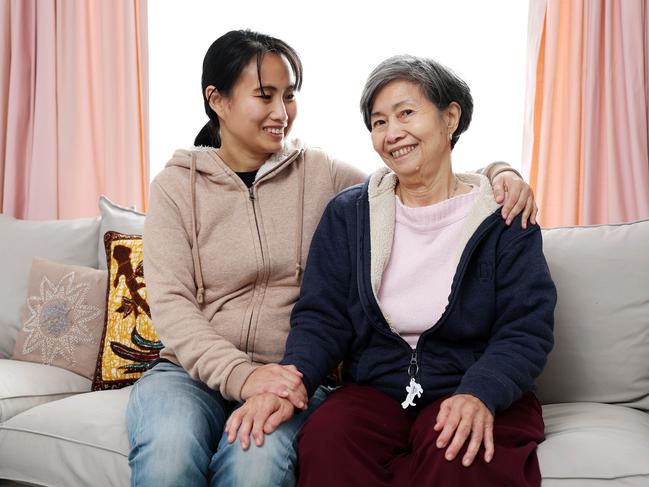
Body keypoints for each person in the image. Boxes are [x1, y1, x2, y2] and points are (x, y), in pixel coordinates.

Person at [125, 29, 539, 487]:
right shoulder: (176, 187)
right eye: (265, 96)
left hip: (288, 373)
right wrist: (245, 378)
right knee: (168, 456)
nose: (281, 113)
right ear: (217, 100)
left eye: (289, 96)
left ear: (450, 117)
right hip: (195, 373)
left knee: (256, 466)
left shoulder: (323, 176)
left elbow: (421, 178)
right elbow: (173, 306)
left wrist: (501, 174)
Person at [227, 54, 556, 486]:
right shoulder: (350, 214)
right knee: (326, 441)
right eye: (379, 122)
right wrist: (290, 382)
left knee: (457, 454)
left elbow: (525, 328)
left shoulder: (504, 216)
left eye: (406, 113)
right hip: (377, 392)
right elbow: (322, 319)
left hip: (472, 387)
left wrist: (480, 392)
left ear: (450, 117)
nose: (392, 133)